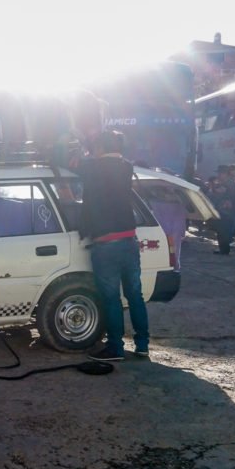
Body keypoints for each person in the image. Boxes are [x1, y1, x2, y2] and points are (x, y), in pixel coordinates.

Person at [78, 130, 149, 362]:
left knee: (111, 299)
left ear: (99, 147)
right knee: (135, 296)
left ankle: (116, 348)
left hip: (106, 244)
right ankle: (142, 346)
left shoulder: (91, 168)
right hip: (129, 240)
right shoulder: (126, 167)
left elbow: (76, 167)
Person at [207, 165, 235, 255]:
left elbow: (220, 192)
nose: (219, 175)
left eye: (220, 173)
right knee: (222, 231)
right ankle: (224, 249)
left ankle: (224, 250)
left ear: (225, 174)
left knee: (222, 230)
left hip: (225, 211)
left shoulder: (227, 183)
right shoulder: (226, 182)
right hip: (225, 210)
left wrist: (212, 187)